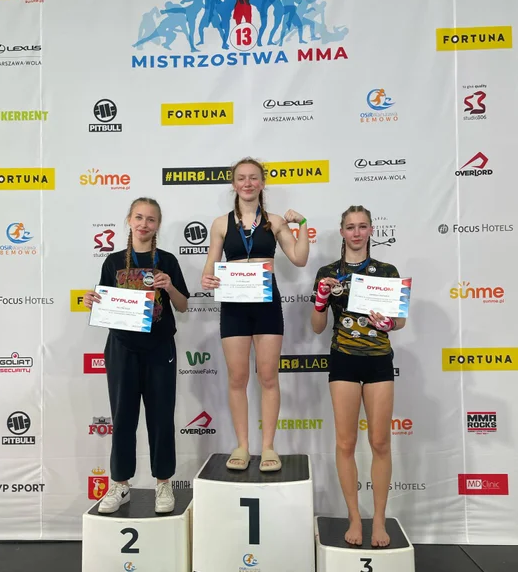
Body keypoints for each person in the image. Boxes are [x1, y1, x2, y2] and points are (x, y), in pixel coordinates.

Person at [201, 158, 309, 472]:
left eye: (253, 178)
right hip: (234, 306)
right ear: (234, 184)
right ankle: (242, 446)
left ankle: (268, 447)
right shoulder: (220, 224)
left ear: (262, 183)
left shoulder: (274, 221)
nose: (247, 183)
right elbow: (210, 266)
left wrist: (302, 225)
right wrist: (207, 279)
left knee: (268, 377)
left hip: (266, 305)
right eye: (241, 178)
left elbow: (299, 258)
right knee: (237, 378)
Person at [83, 197, 189, 514]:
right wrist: (92, 301)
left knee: (161, 418)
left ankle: (163, 483)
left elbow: (183, 306)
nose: (144, 224)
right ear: (129, 220)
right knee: (123, 418)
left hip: (159, 348)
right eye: (139, 217)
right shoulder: (113, 261)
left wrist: (169, 287)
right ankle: (120, 484)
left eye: (151, 219)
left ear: (158, 225)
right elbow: (104, 303)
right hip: (122, 348)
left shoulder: (167, 260)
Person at [310, 205, 406, 547]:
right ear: (342, 232)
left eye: (362, 226)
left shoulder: (387, 271)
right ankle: (354, 517)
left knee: (380, 442)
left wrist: (388, 323)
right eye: (350, 227)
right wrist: (321, 300)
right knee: (345, 443)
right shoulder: (327, 272)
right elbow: (317, 327)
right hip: (344, 360)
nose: (356, 232)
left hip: (378, 361)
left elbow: (399, 321)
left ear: (371, 230)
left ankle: (378, 520)